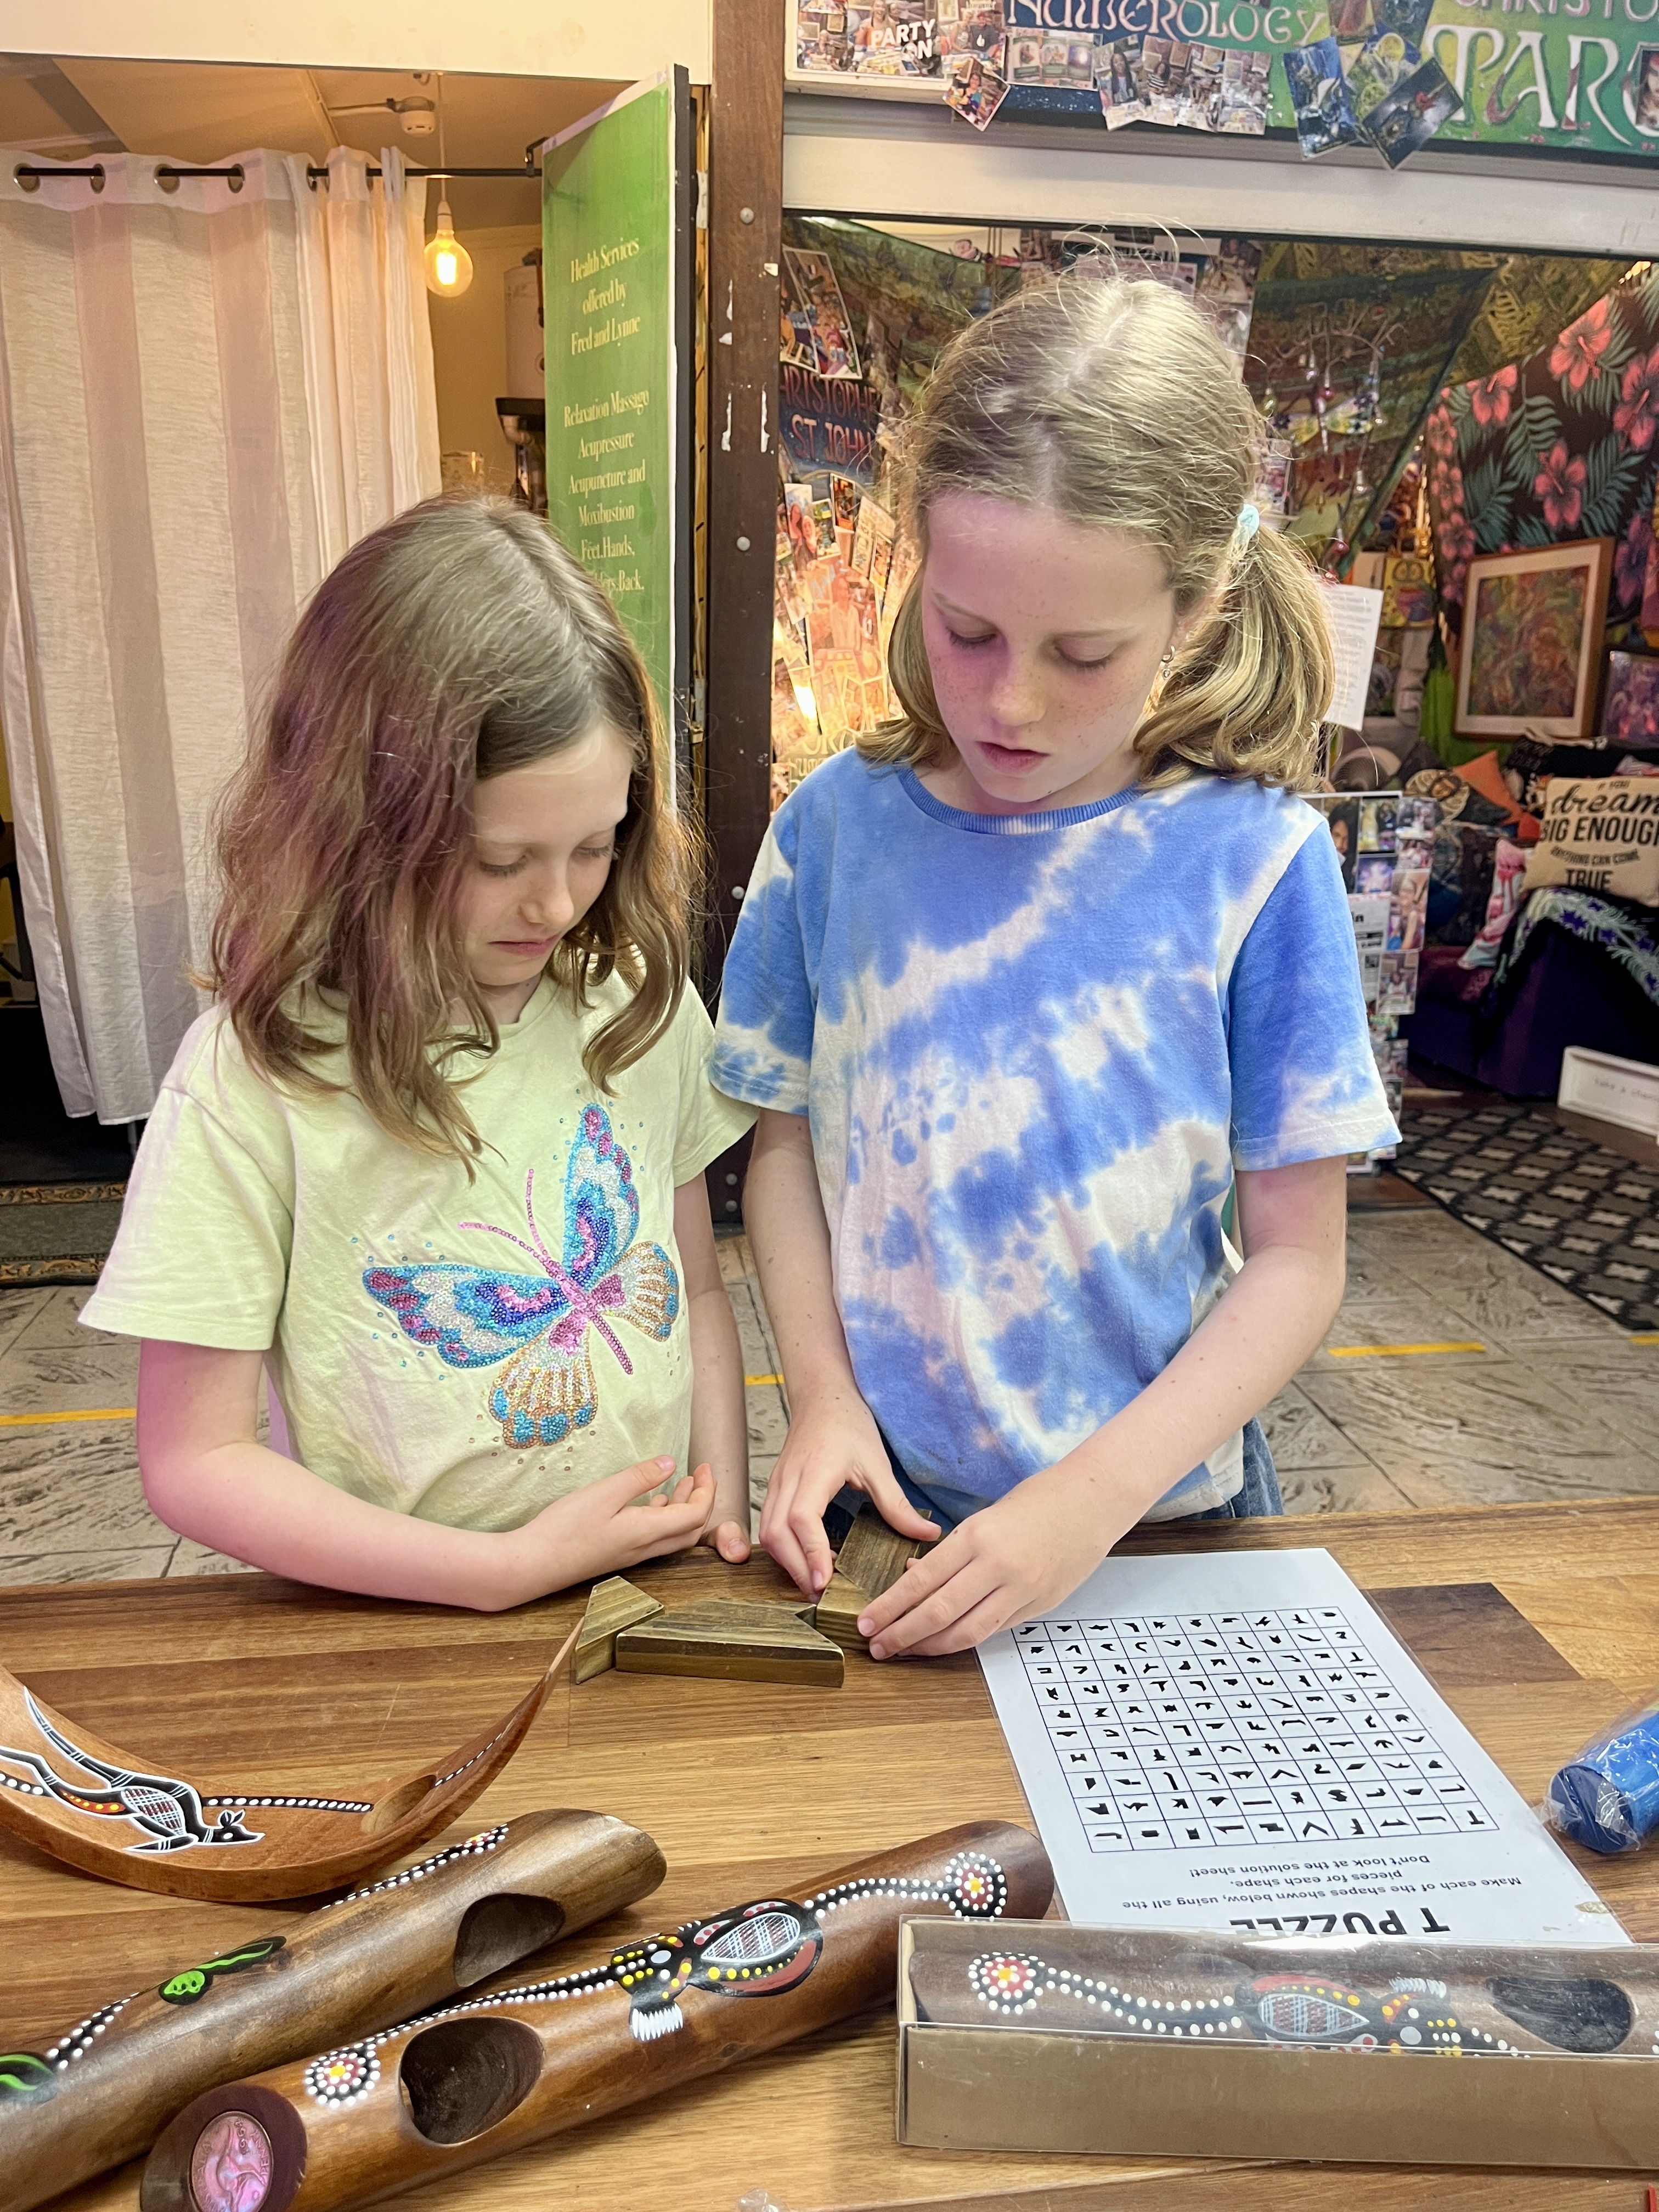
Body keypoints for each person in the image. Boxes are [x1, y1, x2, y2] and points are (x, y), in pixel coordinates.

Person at [712, 275, 1395, 1660]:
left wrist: (1088, 1500)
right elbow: (778, 1145)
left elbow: (1297, 1263)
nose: (1009, 702)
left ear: (1196, 613)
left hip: (1155, 1522)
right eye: (967, 631)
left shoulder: (1256, 862)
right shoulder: (832, 832)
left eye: (1084, 654)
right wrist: (820, 1396)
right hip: (881, 1505)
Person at [84, 500, 754, 1609]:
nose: (555, 901)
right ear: (358, 825)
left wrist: (719, 1504)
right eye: (499, 859)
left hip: (649, 1583)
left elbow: (692, 1284)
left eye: (598, 844)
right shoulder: (254, 1081)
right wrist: (498, 1572)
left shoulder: (635, 1001)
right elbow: (195, 1460)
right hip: (405, 1619)